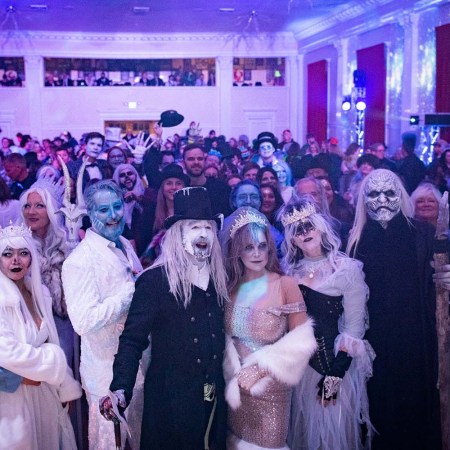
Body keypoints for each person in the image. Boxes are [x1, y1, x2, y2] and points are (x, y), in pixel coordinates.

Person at [101, 187, 228, 449]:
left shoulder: (220, 280)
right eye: (194, 227)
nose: (203, 233)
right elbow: (132, 340)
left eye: (208, 227)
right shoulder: (155, 281)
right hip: (171, 399)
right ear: (177, 234)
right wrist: (120, 387)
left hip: (212, 395)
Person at [347, 169, 443, 450]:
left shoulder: (423, 234)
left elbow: (434, 283)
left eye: (389, 193)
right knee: (377, 408)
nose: (382, 201)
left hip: (415, 340)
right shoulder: (353, 239)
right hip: (372, 340)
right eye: (374, 194)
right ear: (364, 199)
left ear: (400, 195)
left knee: (415, 409)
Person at [279, 199, 374, 450]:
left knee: (332, 437)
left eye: (309, 226)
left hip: (334, 368)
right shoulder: (288, 272)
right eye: (297, 231)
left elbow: (354, 329)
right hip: (300, 372)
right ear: (292, 239)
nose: (305, 233)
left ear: (321, 227)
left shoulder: (347, 270)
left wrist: (334, 376)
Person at [220, 207, 316, 449]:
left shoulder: (285, 284)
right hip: (233, 390)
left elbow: (301, 343)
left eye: (262, 246)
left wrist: (260, 370)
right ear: (236, 250)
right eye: (248, 247)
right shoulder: (228, 287)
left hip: (271, 390)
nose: (256, 253)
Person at [62, 180, 144, 449]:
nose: (113, 215)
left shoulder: (123, 243)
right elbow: (83, 321)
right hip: (105, 378)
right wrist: (129, 293)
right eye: (103, 210)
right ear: (90, 215)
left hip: (138, 370)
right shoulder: (79, 261)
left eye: (118, 207)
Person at [0, 223, 82, 449]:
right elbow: (5, 351)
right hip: (12, 400)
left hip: (44, 394)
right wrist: (53, 359)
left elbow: (51, 340)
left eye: (23, 253)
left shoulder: (40, 293)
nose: (15, 260)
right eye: (7, 254)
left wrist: (65, 384)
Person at [19, 180, 76, 368]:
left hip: (66, 324)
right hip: (31, 324)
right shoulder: (17, 246)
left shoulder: (69, 242)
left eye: (39, 206)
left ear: (52, 210)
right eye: (27, 206)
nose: (31, 211)